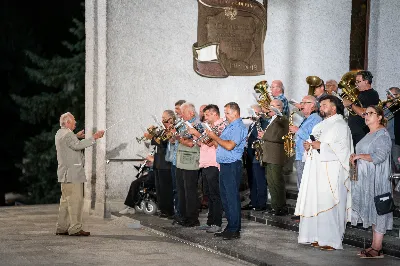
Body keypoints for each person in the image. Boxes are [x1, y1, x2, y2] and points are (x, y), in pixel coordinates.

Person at [295, 95, 353, 250]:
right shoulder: (320, 126)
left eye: (324, 105)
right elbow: (314, 142)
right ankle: (316, 237)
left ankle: (331, 240)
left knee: (329, 205)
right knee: (317, 204)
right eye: (320, 105)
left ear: (334, 107)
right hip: (316, 170)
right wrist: (308, 147)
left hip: (332, 172)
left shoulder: (340, 125)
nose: (321, 107)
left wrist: (322, 146)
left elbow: (343, 149)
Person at [350, 105, 393, 259]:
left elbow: (379, 156)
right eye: (365, 113)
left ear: (380, 117)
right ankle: (375, 247)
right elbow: (364, 153)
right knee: (374, 212)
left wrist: (360, 156)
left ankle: (377, 248)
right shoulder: (369, 133)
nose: (366, 116)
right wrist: (355, 157)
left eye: (370, 113)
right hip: (367, 180)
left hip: (378, 181)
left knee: (379, 212)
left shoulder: (382, 134)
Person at [55, 112, 104, 236]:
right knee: (76, 201)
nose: (75, 123)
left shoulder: (60, 133)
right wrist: (95, 137)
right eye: (73, 121)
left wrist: (76, 136)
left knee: (65, 201)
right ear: (67, 123)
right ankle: (75, 228)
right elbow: (78, 146)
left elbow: (69, 143)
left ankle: (62, 227)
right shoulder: (68, 134)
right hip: (73, 174)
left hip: (64, 174)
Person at [206, 102, 247, 240]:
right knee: (225, 198)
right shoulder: (230, 126)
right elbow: (222, 144)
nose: (225, 116)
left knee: (231, 198)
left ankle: (235, 229)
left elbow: (229, 146)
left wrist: (215, 137)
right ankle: (229, 227)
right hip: (224, 164)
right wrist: (213, 138)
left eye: (227, 113)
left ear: (236, 113)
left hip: (232, 165)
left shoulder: (238, 126)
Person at [189, 104, 225, 233]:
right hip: (205, 163)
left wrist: (197, 132)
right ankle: (210, 222)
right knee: (208, 194)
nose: (205, 117)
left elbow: (211, 142)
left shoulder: (220, 125)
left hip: (214, 163)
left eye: (208, 114)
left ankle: (217, 223)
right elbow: (201, 142)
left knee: (215, 194)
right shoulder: (208, 127)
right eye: (205, 115)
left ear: (215, 114)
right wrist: (194, 135)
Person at [259, 99, 289, 216]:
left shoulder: (283, 119)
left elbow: (281, 137)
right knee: (271, 182)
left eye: (274, 106)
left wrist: (264, 135)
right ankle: (275, 206)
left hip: (276, 155)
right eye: (270, 106)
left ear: (280, 108)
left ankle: (281, 207)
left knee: (277, 182)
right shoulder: (272, 119)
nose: (270, 108)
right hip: (269, 154)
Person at [175, 103, 202, 227]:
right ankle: (183, 215)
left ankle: (192, 218)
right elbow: (179, 139)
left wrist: (179, 138)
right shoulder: (183, 123)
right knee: (181, 191)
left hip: (191, 161)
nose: (181, 115)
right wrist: (177, 137)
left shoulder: (197, 124)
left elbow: (191, 143)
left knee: (190, 191)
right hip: (181, 160)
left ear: (191, 113)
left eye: (183, 112)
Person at [145, 110, 175, 218]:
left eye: (164, 118)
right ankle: (162, 209)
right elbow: (155, 143)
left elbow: (164, 144)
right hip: (158, 162)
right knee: (159, 189)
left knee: (166, 189)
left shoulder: (171, 130)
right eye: (162, 117)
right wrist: (152, 135)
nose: (162, 120)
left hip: (165, 163)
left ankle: (168, 211)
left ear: (171, 119)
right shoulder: (162, 130)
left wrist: (153, 135)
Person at [289, 95, 322, 190]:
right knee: (301, 184)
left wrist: (297, 130)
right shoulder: (306, 119)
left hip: (307, 156)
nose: (301, 105)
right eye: (301, 102)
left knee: (305, 186)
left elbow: (313, 139)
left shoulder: (316, 119)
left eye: (304, 102)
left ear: (312, 105)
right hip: (301, 156)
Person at [343, 70, 380, 146]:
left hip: (362, 132)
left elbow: (364, 113)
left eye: (358, 81)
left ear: (366, 81)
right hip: (354, 131)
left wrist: (350, 104)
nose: (356, 84)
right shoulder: (360, 94)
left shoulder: (372, 94)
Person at [242, 104, 268, 211]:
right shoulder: (252, 124)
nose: (251, 115)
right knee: (251, 180)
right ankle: (253, 201)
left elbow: (261, 137)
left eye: (254, 112)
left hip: (258, 154)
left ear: (259, 113)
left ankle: (261, 203)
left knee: (259, 180)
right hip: (250, 154)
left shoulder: (264, 123)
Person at [169, 100, 186, 220]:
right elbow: (173, 141)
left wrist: (176, 135)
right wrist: (171, 135)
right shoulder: (178, 123)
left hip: (182, 160)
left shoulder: (186, 124)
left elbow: (186, 140)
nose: (176, 113)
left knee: (182, 189)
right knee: (176, 189)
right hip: (175, 159)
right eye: (175, 111)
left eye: (178, 110)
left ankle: (182, 213)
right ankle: (177, 212)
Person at [385, 87, 400, 173]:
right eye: (388, 94)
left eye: (391, 95)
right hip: (385, 139)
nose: (388, 97)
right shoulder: (385, 106)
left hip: (396, 140)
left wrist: (391, 107)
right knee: (387, 165)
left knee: (396, 163)